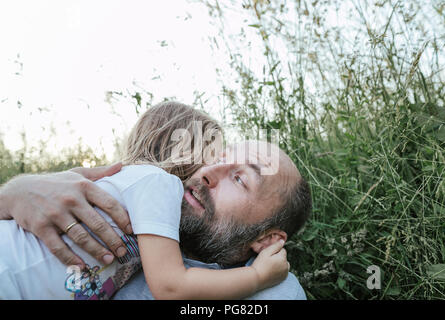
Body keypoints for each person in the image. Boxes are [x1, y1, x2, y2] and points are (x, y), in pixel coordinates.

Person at [0, 106, 312, 300]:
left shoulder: (275, 292)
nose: (208, 172)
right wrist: (13, 193)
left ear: (268, 239)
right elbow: (172, 287)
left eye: (240, 179)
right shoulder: (146, 197)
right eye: (216, 157)